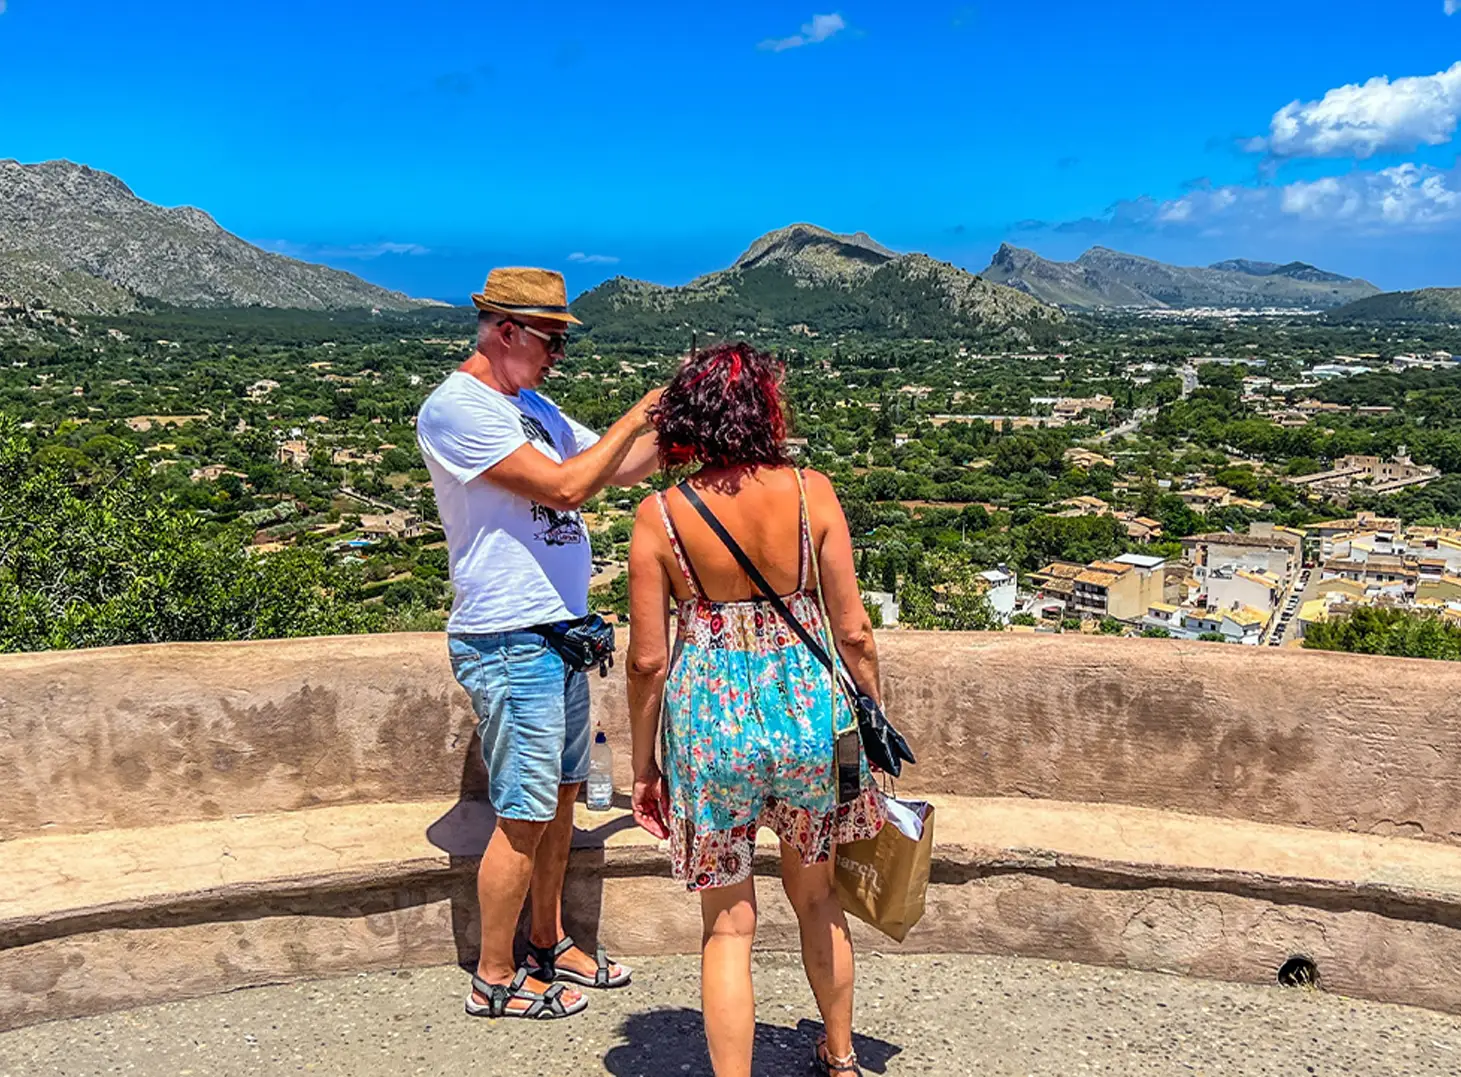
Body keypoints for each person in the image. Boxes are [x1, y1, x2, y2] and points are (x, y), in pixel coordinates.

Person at [624, 342, 886, 1076]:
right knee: (816, 895)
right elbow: (855, 632)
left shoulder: (660, 515)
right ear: (766, 411)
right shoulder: (813, 493)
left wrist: (644, 764)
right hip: (814, 721)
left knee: (728, 928)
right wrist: (870, 721)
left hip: (710, 730)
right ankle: (839, 1058)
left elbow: (646, 661)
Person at [416, 267, 660, 1020]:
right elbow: (563, 488)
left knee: (559, 807)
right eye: (551, 339)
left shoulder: (533, 406)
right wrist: (636, 410)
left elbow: (616, 468)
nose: (558, 353)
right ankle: (494, 975)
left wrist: (684, 422)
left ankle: (550, 941)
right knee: (522, 813)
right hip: (509, 635)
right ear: (505, 330)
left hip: (559, 633)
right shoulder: (457, 409)